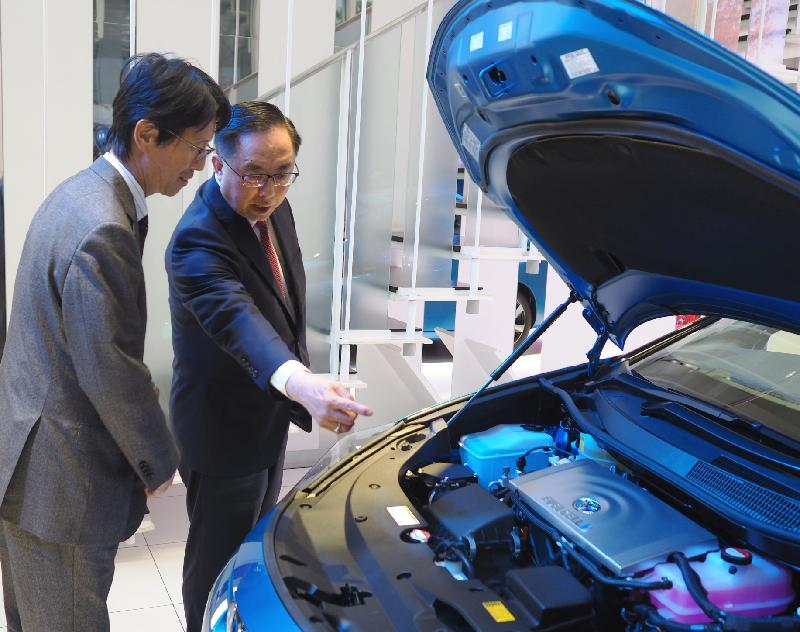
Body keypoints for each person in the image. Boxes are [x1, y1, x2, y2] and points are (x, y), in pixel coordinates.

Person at [0, 53, 230, 632]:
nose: (202, 167)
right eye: (198, 148)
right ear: (146, 134)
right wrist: (158, 461)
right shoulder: (102, 224)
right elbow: (111, 370)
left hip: (31, 466)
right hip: (61, 486)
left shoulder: (81, 192)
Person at [165, 100, 372, 632]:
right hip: (220, 427)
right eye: (254, 174)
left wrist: (295, 388)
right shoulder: (197, 239)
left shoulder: (272, 205)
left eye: (283, 174)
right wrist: (302, 384)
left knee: (255, 541)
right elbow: (240, 323)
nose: (270, 189)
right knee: (215, 560)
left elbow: (282, 301)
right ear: (218, 164)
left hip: (267, 415)